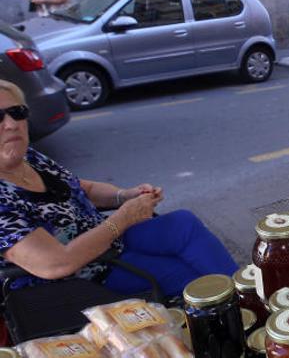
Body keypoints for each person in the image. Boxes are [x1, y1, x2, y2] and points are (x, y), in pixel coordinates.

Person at [0, 80, 236, 296]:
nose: (11, 124)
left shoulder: (29, 157)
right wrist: (122, 219)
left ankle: (245, 296)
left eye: (17, 112)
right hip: (84, 279)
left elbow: (83, 189)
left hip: (108, 243)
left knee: (183, 223)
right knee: (192, 279)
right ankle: (239, 310)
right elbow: (56, 263)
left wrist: (124, 195)